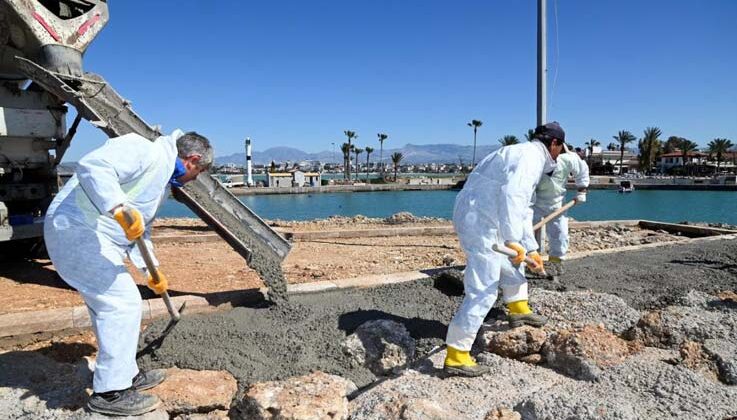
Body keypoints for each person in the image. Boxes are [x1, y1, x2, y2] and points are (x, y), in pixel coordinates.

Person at [44, 130, 213, 416]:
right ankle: (109, 394)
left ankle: (125, 374)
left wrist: (152, 271)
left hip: (94, 237)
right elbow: (93, 166)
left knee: (108, 308)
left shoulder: (157, 181)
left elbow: (139, 230)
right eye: (197, 173)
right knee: (123, 304)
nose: (193, 179)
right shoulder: (142, 149)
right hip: (76, 230)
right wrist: (117, 207)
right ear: (192, 160)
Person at [444, 122, 566, 377]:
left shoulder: (522, 153)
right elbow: (513, 197)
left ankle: (518, 308)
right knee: (484, 289)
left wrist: (530, 249)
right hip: (480, 223)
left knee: (512, 262)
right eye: (560, 150)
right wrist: (512, 239)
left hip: (487, 216)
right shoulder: (532, 158)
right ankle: (456, 354)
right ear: (553, 144)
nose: (559, 155)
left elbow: (521, 209)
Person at [533, 144, 590, 275]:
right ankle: (532, 263)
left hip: (557, 203)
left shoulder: (569, 159)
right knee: (528, 234)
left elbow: (582, 170)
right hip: (534, 201)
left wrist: (582, 190)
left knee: (560, 234)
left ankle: (556, 263)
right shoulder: (534, 158)